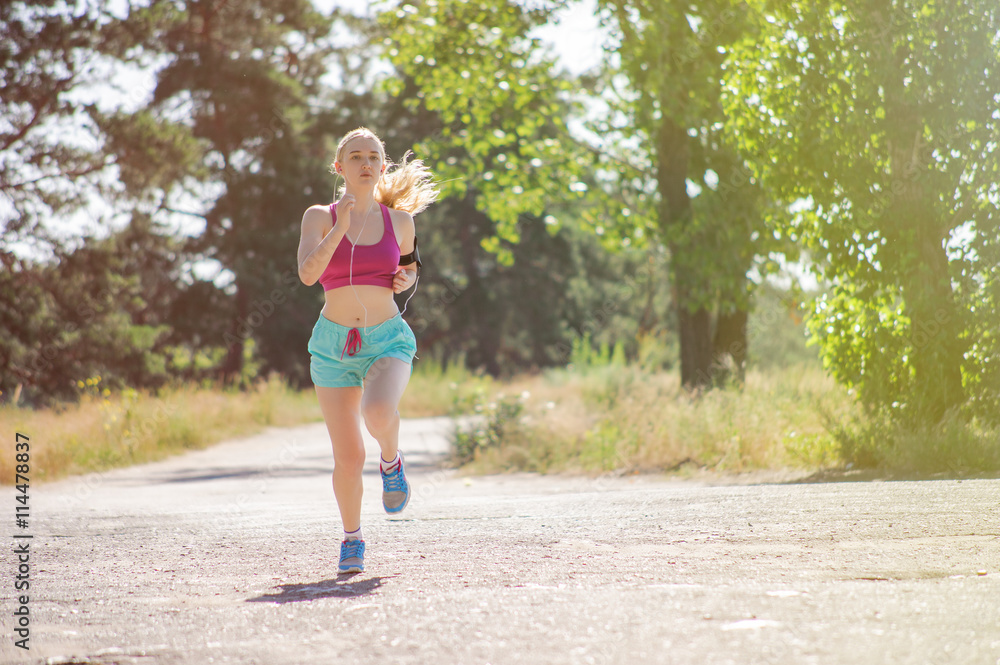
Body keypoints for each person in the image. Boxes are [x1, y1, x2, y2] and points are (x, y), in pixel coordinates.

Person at [296, 127, 438, 573]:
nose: (365, 163)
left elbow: (411, 267)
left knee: (378, 413)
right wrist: (340, 226)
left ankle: (392, 461)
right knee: (348, 456)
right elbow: (307, 274)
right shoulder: (318, 216)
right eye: (355, 156)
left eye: (373, 157)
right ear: (340, 167)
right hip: (333, 344)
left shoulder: (400, 222)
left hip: (386, 337)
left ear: (382, 165)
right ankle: (352, 538)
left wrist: (407, 279)